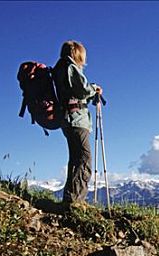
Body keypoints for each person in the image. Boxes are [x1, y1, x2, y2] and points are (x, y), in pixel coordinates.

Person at [53, 40, 103, 207]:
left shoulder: (59, 68)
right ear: (77, 53)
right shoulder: (70, 67)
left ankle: (71, 198)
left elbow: (75, 92)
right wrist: (94, 87)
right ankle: (75, 201)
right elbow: (83, 89)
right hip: (77, 119)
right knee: (83, 159)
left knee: (76, 158)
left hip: (67, 118)